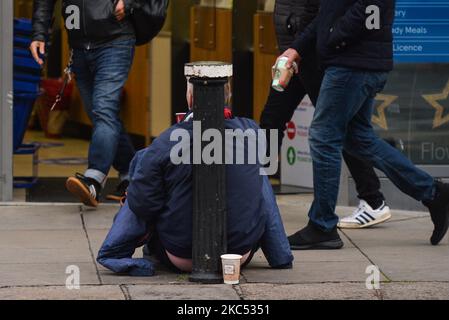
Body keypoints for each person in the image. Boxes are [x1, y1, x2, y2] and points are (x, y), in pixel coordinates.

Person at [278, 0, 449, 249]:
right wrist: (296, 49)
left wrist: (333, 37)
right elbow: (328, 14)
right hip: (354, 62)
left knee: (323, 136)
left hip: (352, 64)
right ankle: (433, 193)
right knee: (357, 138)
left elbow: (370, 8)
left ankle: (322, 225)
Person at [96, 79, 294, 275]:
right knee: (260, 178)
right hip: (240, 252)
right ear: (228, 98)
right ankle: (280, 254)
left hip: (181, 255)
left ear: (190, 98)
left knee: (144, 170)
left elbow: (144, 204)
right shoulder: (251, 131)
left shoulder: (167, 141)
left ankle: (114, 251)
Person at [260, 0, 392, 234]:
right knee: (272, 119)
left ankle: (372, 199)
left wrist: (303, 47)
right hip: (294, 54)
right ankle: (256, 191)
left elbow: (323, 13)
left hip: (310, 57)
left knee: (338, 131)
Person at [31, 0, 137, 207]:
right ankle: (132, 176)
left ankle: (93, 180)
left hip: (115, 41)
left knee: (103, 111)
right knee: (102, 115)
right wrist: (39, 33)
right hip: (79, 47)